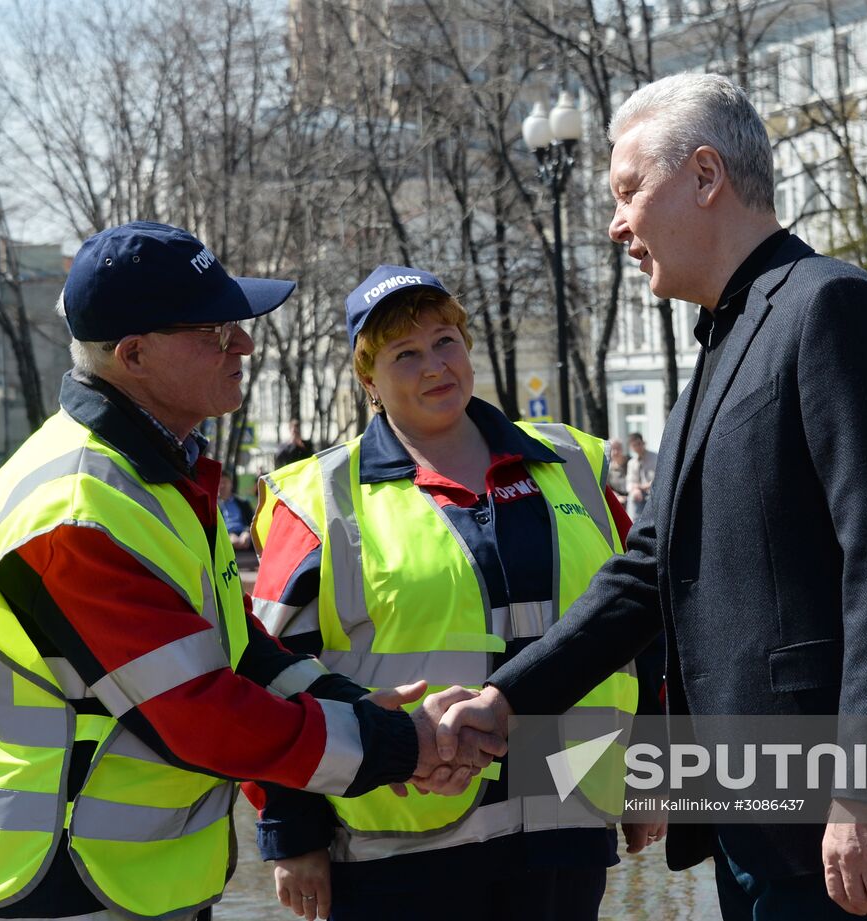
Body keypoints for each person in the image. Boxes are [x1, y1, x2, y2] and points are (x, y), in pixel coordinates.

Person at [433, 73, 867, 920]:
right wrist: (507, 699)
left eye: (628, 191)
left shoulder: (830, 307)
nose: (617, 224)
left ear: (704, 175)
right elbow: (645, 571)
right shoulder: (729, 337)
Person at [0, 222, 501, 921]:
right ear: (134, 353)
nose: (243, 343)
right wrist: (401, 745)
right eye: (214, 329)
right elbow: (202, 714)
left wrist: (356, 706)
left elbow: (239, 649)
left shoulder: (151, 474)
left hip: (131, 877)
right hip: (62, 885)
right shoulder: (76, 513)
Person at [246, 264, 665, 921]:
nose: (434, 365)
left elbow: (639, 627)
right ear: (368, 380)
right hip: (399, 846)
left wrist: (646, 775)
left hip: (565, 824)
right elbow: (269, 676)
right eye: (404, 353)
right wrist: (292, 834)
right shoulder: (319, 499)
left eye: (446, 340)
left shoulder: (571, 464)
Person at [217, 472, 254, 552]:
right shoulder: (214, 505)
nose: (222, 486)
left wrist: (247, 532)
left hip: (244, 533)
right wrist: (228, 535)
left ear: (231, 484)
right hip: (226, 536)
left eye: (225, 482)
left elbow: (253, 521)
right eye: (219, 483)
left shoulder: (243, 503)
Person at [625, 431, 657, 517]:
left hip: (652, 492)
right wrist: (635, 489)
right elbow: (629, 483)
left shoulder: (655, 458)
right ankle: (632, 525)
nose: (637, 447)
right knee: (632, 497)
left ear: (643, 443)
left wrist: (641, 486)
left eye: (639, 444)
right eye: (634, 445)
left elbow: (657, 480)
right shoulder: (631, 463)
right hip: (639, 495)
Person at [608, 436, 629, 506]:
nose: (615, 452)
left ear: (622, 449)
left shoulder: (631, 463)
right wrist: (617, 496)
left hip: (633, 497)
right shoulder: (608, 468)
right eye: (613, 449)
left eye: (618, 448)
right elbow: (608, 488)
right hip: (618, 500)